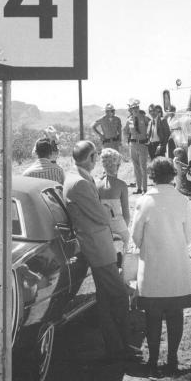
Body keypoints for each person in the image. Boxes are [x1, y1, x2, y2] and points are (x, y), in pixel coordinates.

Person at [63, 141, 135, 361]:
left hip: (96, 242)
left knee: (105, 298)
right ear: (92, 157)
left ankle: (116, 347)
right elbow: (103, 216)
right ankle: (122, 345)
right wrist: (106, 211)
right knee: (120, 295)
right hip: (98, 246)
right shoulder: (81, 183)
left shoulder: (76, 178)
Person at [132, 157, 191, 375]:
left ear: (151, 176)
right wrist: (175, 244)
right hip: (176, 263)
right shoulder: (182, 200)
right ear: (172, 175)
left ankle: (152, 360)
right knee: (175, 312)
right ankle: (172, 358)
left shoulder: (144, 201)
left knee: (152, 314)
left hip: (152, 265)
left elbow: (136, 236)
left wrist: (149, 247)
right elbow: (190, 235)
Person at [96, 148, 131, 250]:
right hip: (119, 228)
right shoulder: (122, 185)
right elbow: (126, 215)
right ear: (118, 165)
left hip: (103, 229)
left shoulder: (97, 185)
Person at [123, 99, 150, 194]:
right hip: (133, 145)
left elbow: (151, 127)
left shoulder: (145, 118)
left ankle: (145, 188)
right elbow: (125, 131)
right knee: (136, 167)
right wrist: (128, 141)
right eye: (133, 108)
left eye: (137, 107)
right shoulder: (129, 120)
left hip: (143, 144)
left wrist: (148, 139)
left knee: (143, 167)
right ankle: (139, 188)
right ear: (130, 109)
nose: (135, 109)